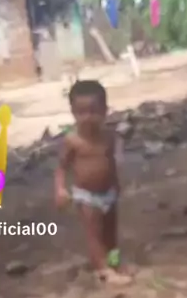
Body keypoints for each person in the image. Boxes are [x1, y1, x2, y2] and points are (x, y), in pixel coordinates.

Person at [55, 79, 131, 285]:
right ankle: (103, 270)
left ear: (105, 110)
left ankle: (114, 263)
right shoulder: (73, 140)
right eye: (81, 112)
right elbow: (62, 167)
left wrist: (117, 184)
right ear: (73, 112)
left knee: (111, 232)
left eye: (94, 111)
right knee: (94, 235)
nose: (88, 117)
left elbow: (111, 162)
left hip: (109, 192)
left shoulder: (109, 137)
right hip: (86, 196)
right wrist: (60, 189)